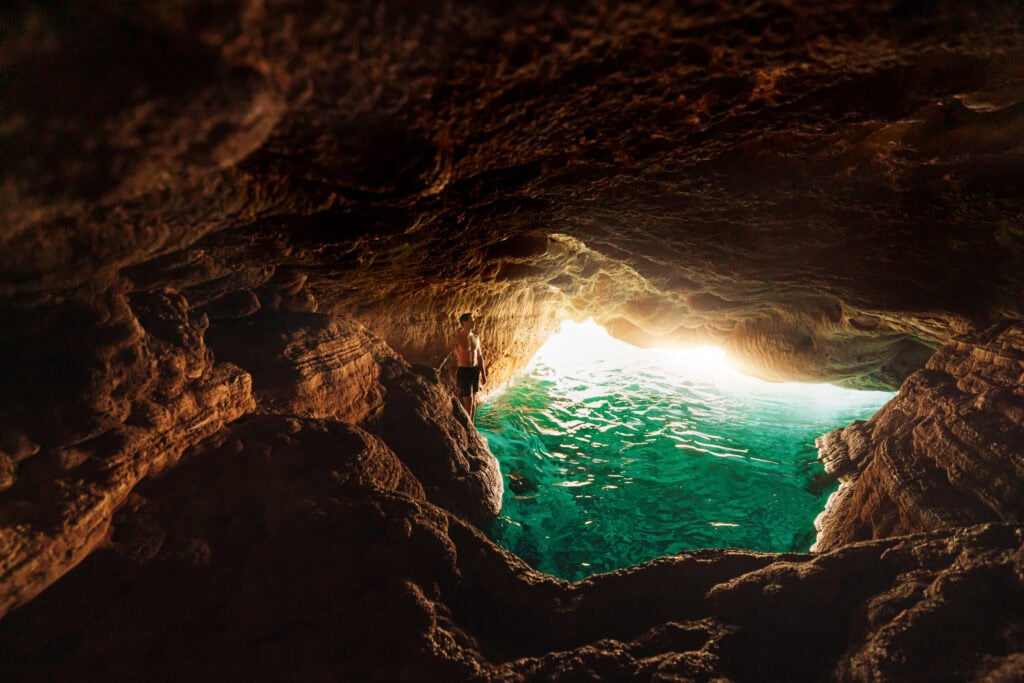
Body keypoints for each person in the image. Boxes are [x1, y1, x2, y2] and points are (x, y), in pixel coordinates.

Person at [449, 312, 487, 421]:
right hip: (464, 371)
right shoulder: (457, 338)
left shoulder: (476, 337)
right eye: (471, 320)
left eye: (473, 320)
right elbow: (446, 352)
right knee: (468, 403)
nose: (474, 322)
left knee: (473, 402)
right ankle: (467, 426)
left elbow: (479, 356)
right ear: (464, 322)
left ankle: (471, 426)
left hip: (475, 370)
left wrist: (483, 374)